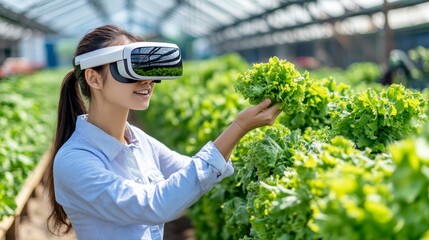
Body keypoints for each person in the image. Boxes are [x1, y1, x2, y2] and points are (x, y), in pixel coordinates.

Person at [45, 25, 281, 240]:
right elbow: (155, 205)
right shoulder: (74, 160)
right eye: (131, 69)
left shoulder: (138, 140)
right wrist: (238, 127)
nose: (146, 81)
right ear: (94, 78)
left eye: (148, 69)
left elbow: (194, 173)